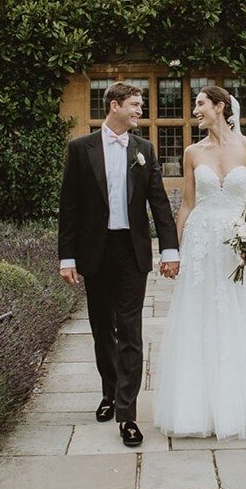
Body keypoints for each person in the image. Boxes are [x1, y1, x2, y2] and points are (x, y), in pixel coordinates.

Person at [154, 86, 246, 440]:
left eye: (199, 104)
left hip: (239, 243)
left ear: (220, 107)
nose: (194, 110)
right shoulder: (192, 152)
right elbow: (187, 204)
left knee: (242, 314)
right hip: (202, 244)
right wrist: (174, 251)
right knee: (202, 315)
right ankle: (200, 403)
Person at [58, 82, 179, 448]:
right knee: (101, 328)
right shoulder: (80, 149)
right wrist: (67, 257)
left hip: (131, 251)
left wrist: (170, 249)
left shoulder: (144, 149)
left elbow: (159, 202)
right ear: (114, 106)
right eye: (135, 105)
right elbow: (70, 207)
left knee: (130, 330)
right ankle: (109, 391)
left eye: (141, 105)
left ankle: (127, 414)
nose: (140, 111)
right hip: (95, 251)